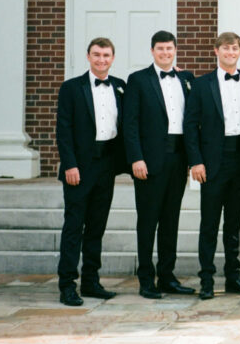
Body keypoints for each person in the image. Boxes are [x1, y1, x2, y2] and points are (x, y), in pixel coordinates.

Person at [183, 32, 240, 300]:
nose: (230, 52)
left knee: (235, 223)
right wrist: (196, 161)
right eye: (225, 48)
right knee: (210, 222)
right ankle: (206, 279)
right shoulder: (202, 85)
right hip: (213, 162)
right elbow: (190, 125)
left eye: (235, 48)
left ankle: (233, 277)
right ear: (217, 51)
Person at [55, 37, 127, 306]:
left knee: (97, 226)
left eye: (106, 55)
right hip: (79, 167)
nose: (101, 60)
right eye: (96, 55)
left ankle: (90, 280)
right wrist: (70, 164)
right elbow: (64, 129)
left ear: (112, 58)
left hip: (106, 165)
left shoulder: (120, 86)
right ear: (88, 56)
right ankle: (67, 285)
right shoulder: (72, 88)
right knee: (74, 226)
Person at [123, 30, 195, 299]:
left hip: (178, 160)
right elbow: (129, 124)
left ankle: (167, 276)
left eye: (169, 49)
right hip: (150, 161)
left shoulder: (186, 79)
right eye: (160, 49)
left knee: (170, 220)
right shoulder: (138, 80)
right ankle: (145, 279)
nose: (165, 53)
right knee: (148, 221)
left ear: (175, 50)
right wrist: (136, 158)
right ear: (152, 51)